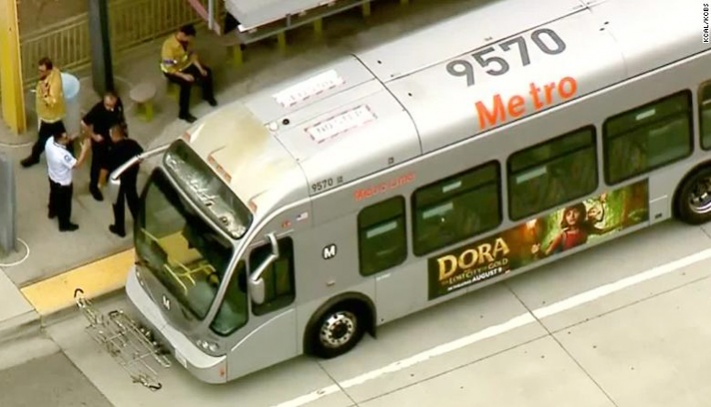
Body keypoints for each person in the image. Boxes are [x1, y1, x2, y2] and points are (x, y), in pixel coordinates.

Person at [160, 24, 217, 123]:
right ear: (182, 35)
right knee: (186, 84)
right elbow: (169, 67)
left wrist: (200, 69)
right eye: (189, 37)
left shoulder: (187, 42)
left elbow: (192, 55)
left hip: (185, 65)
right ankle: (183, 113)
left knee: (207, 72)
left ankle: (208, 96)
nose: (190, 40)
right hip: (173, 71)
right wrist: (184, 76)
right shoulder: (168, 46)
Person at [81, 91, 126, 201]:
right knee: (97, 164)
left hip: (113, 139)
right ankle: (93, 187)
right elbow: (83, 123)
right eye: (107, 105)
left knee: (112, 159)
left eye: (112, 105)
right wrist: (94, 136)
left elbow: (120, 118)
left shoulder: (118, 104)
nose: (110, 107)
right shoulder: (98, 109)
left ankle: (109, 175)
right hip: (100, 141)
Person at [100, 124, 144, 238]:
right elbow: (141, 157)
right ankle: (141, 224)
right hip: (131, 178)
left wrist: (100, 183)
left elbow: (104, 170)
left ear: (113, 135)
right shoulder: (132, 143)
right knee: (133, 199)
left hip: (117, 181)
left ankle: (120, 228)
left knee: (118, 204)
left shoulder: (111, 150)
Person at [22, 57, 66, 168]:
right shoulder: (53, 72)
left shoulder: (53, 85)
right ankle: (69, 151)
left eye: (42, 71)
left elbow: (53, 101)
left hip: (50, 116)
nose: (40, 73)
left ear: (49, 70)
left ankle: (34, 156)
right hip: (52, 115)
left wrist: (45, 93)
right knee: (60, 132)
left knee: (42, 139)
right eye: (39, 70)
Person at [46, 132, 91, 232]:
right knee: (65, 206)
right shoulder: (63, 155)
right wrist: (84, 150)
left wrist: (71, 138)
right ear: (60, 139)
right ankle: (64, 225)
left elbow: (63, 139)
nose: (68, 138)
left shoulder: (49, 141)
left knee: (53, 195)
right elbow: (77, 165)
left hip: (52, 177)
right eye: (66, 137)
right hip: (63, 184)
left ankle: (52, 212)